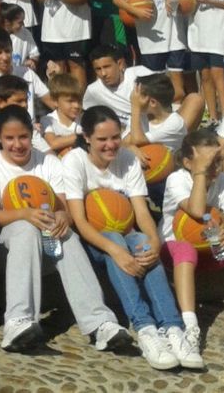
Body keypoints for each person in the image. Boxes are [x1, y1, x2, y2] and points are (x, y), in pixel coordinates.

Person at [0, 105, 131, 354]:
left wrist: (62, 217)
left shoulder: (48, 161)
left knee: (66, 235)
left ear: (31, 135)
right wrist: (24, 214)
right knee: (25, 228)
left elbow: (65, 209)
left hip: (46, 248)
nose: (17, 144)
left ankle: (100, 323)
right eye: (9, 138)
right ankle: (18, 321)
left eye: (23, 136)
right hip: (3, 250)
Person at [62, 106, 184, 370]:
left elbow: (141, 211)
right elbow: (80, 222)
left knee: (141, 242)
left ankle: (173, 328)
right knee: (116, 242)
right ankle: (145, 328)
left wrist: (154, 242)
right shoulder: (74, 161)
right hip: (94, 243)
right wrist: (116, 251)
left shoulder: (128, 159)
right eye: (102, 139)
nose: (111, 145)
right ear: (86, 138)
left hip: (126, 237)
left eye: (115, 137)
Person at [159, 130, 224, 368]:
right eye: (206, 162)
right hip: (175, 251)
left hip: (211, 251)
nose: (214, 168)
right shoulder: (177, 179)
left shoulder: (223, 181)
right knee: (186, 249)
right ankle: (190, 328)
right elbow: (196, 208)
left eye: (216, 162)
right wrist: (200, 172)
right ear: (187, 162)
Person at [40, 73, 84, 156]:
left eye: (79, 101)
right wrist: (82, 137)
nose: (77, 105)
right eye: (70, 101)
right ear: (55, 101)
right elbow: (53, 143)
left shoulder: (84, 119)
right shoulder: (48, 120)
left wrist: (63, 141)